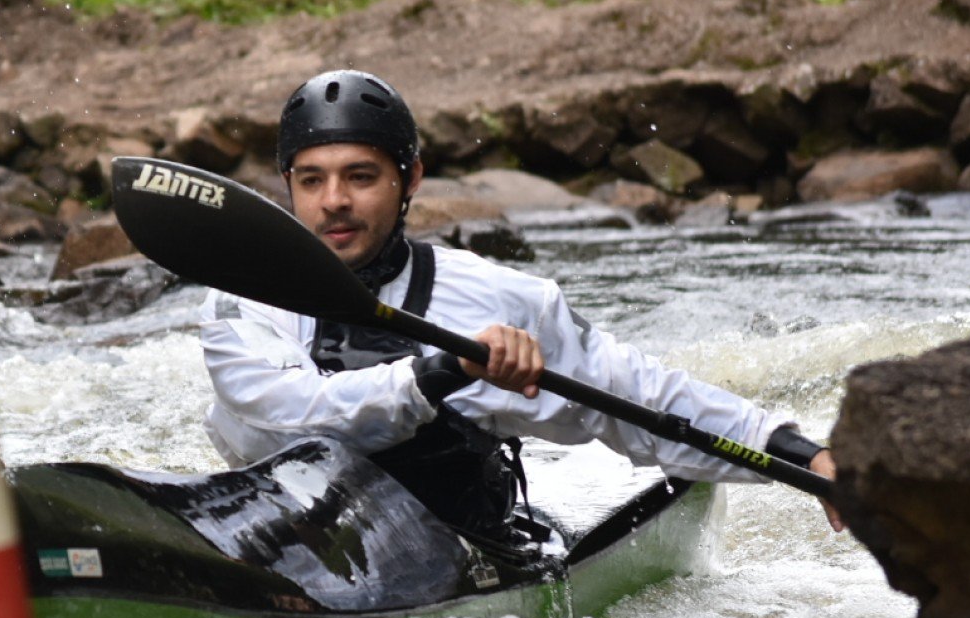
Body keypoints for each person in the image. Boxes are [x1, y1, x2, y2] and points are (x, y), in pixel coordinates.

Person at [200, 68, 840, 540]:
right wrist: (441, 374)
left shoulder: (499, 299)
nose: (334, 200)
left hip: (450, 542)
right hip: (301, 536)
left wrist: (802, 456)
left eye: (360, 176)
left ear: (410, 180)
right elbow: (291, 416)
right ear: (288, 186)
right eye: (311, 180)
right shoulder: (243, 297)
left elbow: (639, 396)